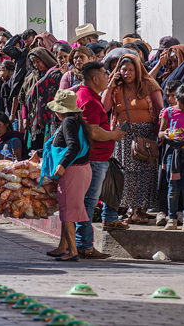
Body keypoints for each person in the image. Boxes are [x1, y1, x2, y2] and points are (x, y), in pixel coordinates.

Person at [102, 54, 164, 225]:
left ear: (137, 70)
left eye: (131, 69)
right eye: (123, 69)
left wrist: (160, 132)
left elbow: (161, 111)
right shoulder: (116, 88)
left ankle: (139, 210)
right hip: (123, 136)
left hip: (144, 136)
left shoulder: (150, 86)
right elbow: (105, 107)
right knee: (127, 174)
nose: (127, 73)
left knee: (144, 174)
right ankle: (131, 210)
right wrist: (110, 86)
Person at [75, 61, 127, 258]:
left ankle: (85, 242)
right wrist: (114, 135)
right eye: (105, 74)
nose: (108, 77)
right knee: (89, 202)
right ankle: (85, 245)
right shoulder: (88, 100)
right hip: (94, 159)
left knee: (90, 200)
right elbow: (93, 132)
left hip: (97, 158)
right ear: (95, 79)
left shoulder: (88, 96)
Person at [39, 90, 94, 262]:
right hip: (81, 170)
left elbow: (73, 146)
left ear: (60, 110)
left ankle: (73, 251)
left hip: (73, 172)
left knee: (69, 212)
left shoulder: (69, 122)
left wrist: (62, 165)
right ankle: (62, 247)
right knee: (66, 210)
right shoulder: (75, 121)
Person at [157, 82, 184, 231]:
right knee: (173, 188)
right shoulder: (168, 113)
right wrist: (166, 133)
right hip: (173, 154)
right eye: (183, 104)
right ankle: (172, 219)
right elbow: (160, 133)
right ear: (176, 99)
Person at [21, 47, 60, 152]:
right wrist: (24, 118)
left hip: (52, 119)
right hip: (34, 123)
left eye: (38, 61)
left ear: (45, 59)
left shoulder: (56, 75)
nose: (36, 65)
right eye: (33, 62)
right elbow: (25, 99)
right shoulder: (30, 78)